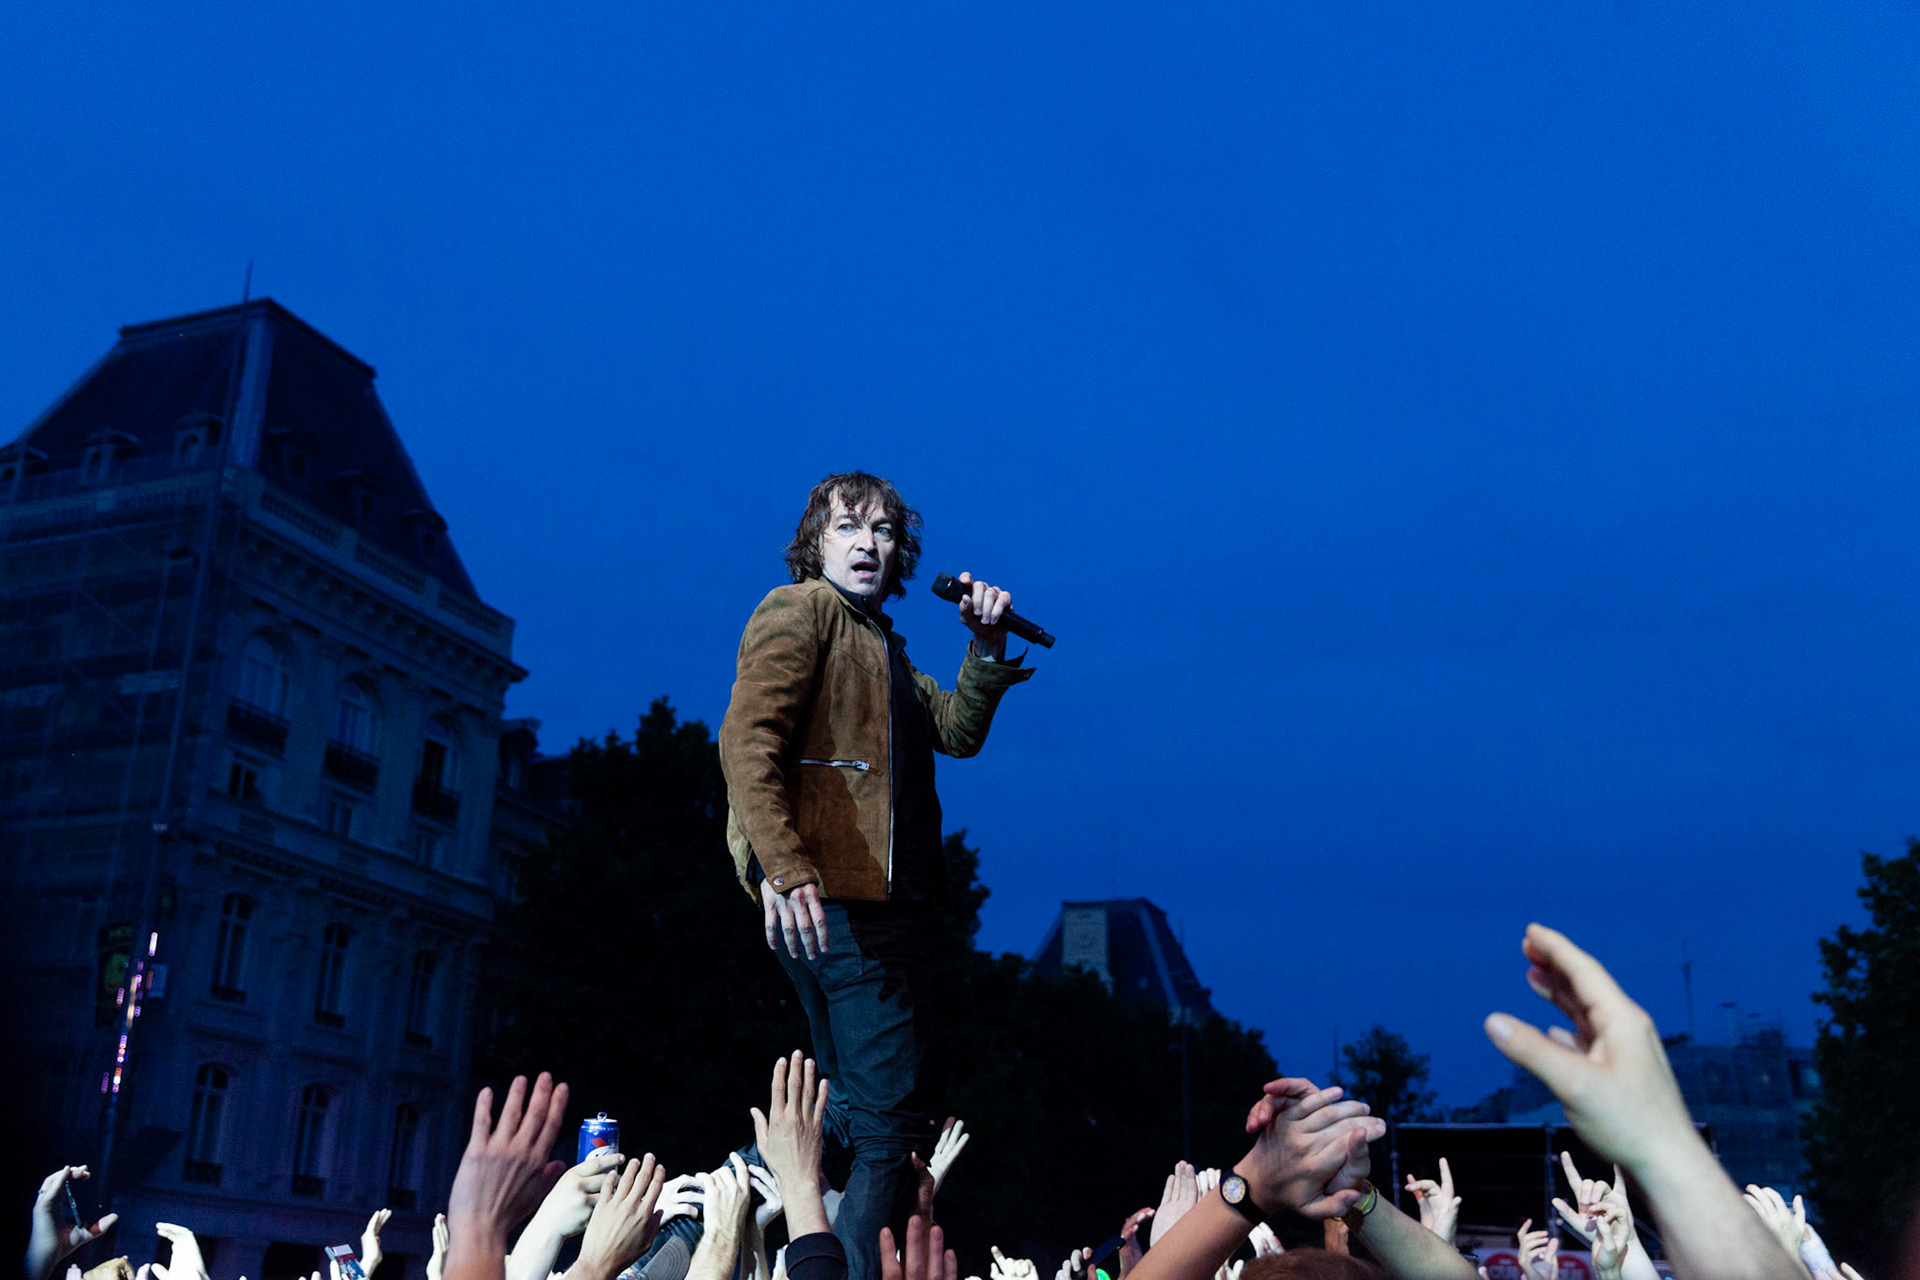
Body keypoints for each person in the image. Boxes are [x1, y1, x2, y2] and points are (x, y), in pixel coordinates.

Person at [719, 471, 1035, 1276]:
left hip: (863, 907)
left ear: (901, 554)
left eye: (885, 532)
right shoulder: (801, 609)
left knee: (850, 1113)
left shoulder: (881, 645)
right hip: (833, 900)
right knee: (890, 1125)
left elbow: (958, 732)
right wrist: (785, 869)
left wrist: (987, 643)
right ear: (815, 541)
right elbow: (745, 743)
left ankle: (710, 1216)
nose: (868, 543)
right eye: (849, 526)